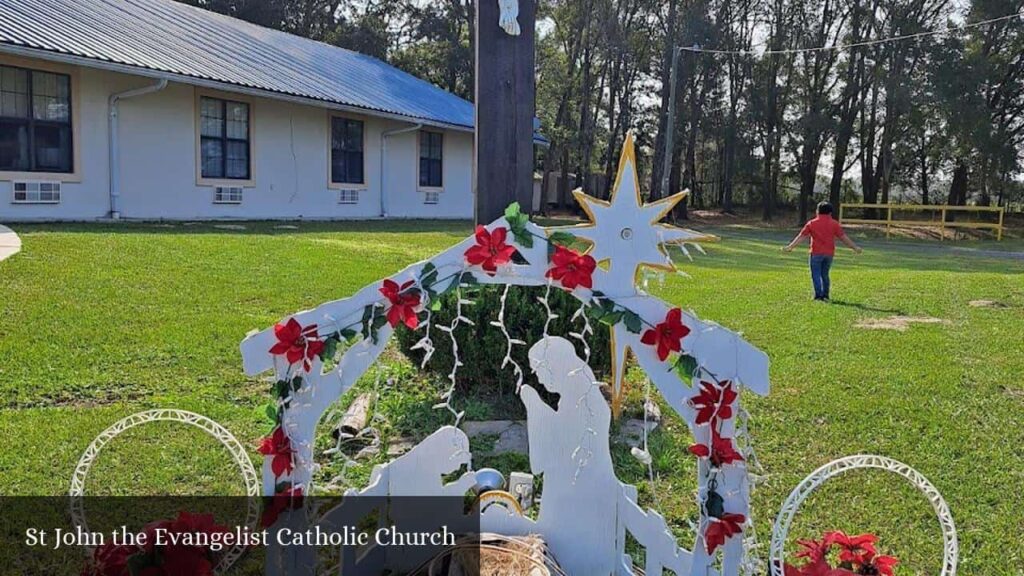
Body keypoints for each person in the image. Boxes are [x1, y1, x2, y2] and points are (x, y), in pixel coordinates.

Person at [783, 201, 862, 301]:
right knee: (825, 274)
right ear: (830, 213)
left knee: (815, 274)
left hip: (816, 252)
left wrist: (790, 247)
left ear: (817, 211)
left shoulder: (812, 223)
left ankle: (818, 295)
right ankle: (825, 294)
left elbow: (801, 236)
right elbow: (843, 238)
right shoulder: (834, 224)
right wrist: (855, 247)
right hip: (829, 253)